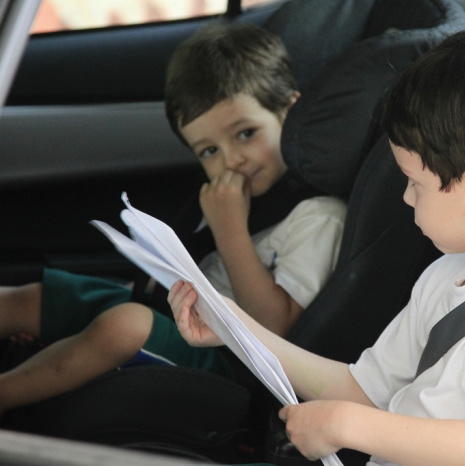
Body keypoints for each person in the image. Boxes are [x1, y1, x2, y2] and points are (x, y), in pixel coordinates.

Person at [168, 23, 465, 466]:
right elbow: (361, 387)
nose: (405, 198)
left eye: (414, 184)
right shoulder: (450, 273)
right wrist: (237, 328)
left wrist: (350, 427)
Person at [0, 21, 346, 414]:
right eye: (209, 151)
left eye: (246, 133)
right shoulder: (226, 196)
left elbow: (278, 331)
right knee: (33, 297)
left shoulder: (316, 217)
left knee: (125, 325)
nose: (232, 159)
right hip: (180, 315)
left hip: (234, 365)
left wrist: (229, 231)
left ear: (290, 111)